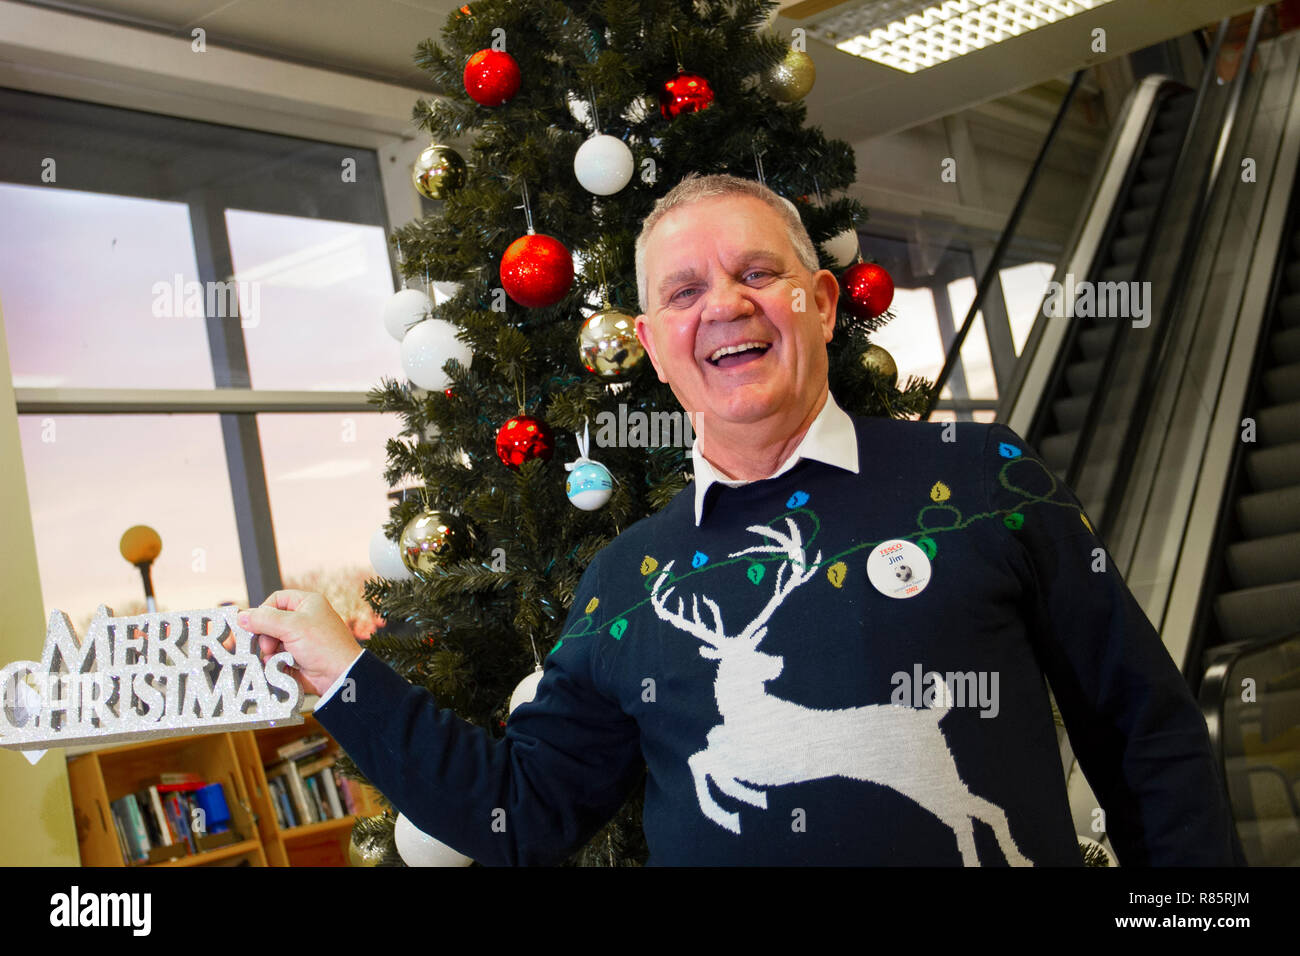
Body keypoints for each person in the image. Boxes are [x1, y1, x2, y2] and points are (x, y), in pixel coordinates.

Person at [237, 173, 1244, 866]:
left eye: (757, 273)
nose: (725, 303)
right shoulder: (628, 581)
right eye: (684, 290)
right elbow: (518, 815)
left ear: (817, 302)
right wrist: (345, 674)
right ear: (651, 345)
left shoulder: (984, 476)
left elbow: (1146, 732)